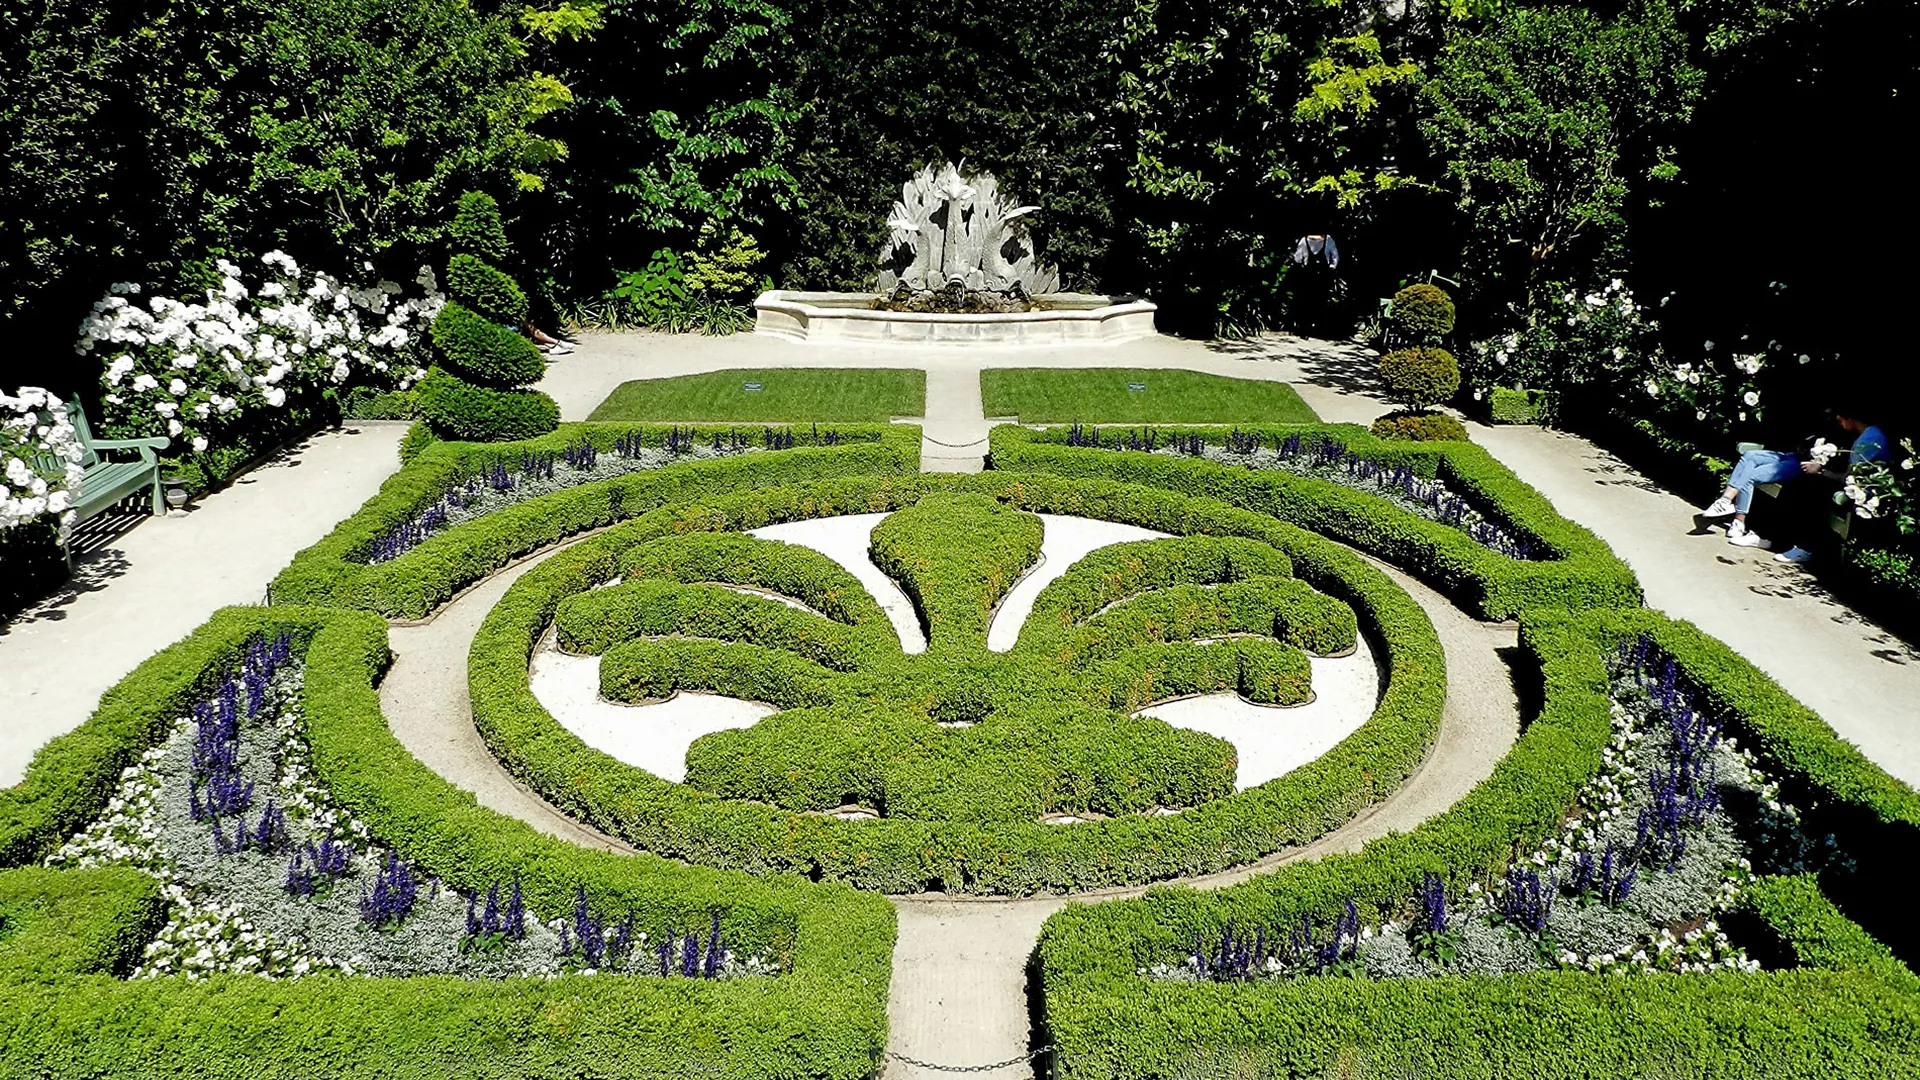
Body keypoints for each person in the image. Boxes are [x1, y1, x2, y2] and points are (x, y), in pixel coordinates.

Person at [1700, 401, 1892, 555]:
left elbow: (1848, 477)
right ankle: (1732, 508)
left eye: (1840, 418)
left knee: (1797, 484)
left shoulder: (1866, 441)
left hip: (1858, 488)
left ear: (1851, 418)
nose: (1838, 421)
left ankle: (1789, 543)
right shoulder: (1868, 433)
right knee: (1752, 458)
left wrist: (1820, 470)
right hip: (1815, 466)